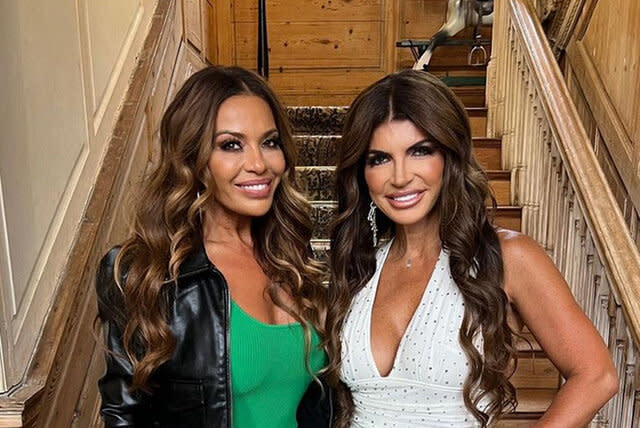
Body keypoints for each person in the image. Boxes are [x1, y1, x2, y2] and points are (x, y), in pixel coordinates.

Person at [325, 69, 618, 427]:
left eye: (420, 151)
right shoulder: (359, 266)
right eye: (379, 158)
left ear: (450, 157)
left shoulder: (509, 257)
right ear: (362, 173)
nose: (399, 176)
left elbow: (596, 375)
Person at [95, 66, 330, 428]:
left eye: (269, 142)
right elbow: (124, 416)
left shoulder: (291, 257)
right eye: (230, 145)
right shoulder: (147, 273)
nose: (258, 164)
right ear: (193, 158)